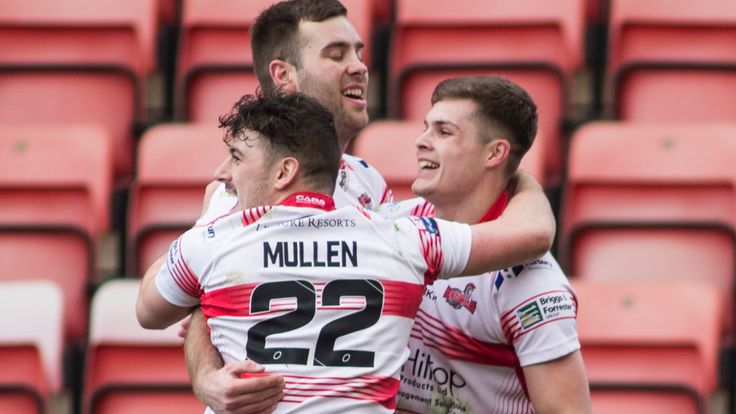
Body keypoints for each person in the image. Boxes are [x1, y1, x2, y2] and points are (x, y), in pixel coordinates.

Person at [136, 91, 556, 413]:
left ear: (284, 172)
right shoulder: (404, 237)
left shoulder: (213, 242)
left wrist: (209, 218)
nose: (222, 173)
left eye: (236, 158)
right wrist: (516, 176)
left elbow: (150, 311)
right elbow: (535, 232)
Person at [381, 76, 591, 413]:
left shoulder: (533, 284)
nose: (421, 141)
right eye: (425, 128)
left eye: (443, 132)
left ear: (495, 153)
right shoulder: (392, 225)